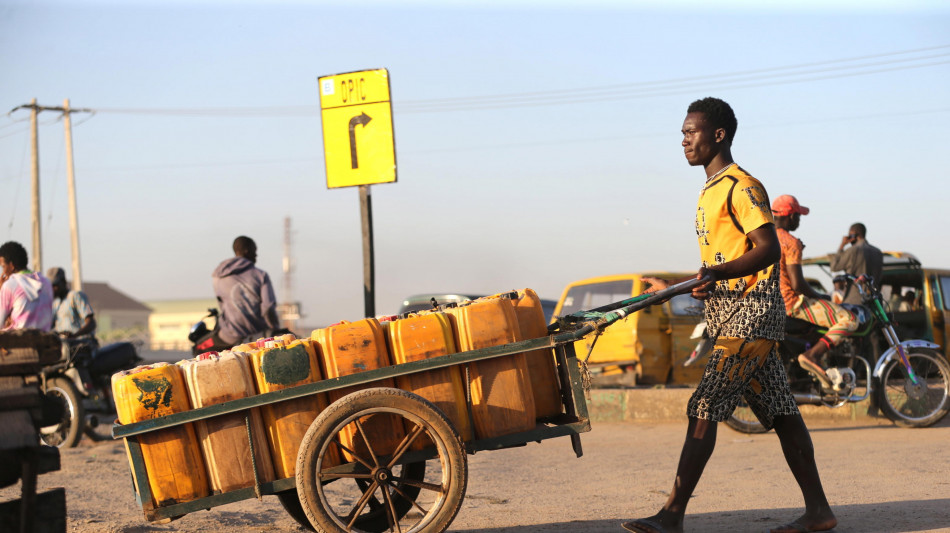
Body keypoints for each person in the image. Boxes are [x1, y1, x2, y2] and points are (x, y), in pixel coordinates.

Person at [624, 98, 836, 533]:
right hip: (731, 313)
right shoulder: (709, 189)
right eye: (682, 133)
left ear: (718, 135)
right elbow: (722, 262)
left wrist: (716, 273)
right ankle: (819, 512)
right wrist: (677, 288)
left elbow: (768, 248)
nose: (683, 140)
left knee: (704, 404)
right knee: (781, 412)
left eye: (691, 132)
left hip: (751, 317)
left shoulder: (743, 186)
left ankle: (671, 515)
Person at [772, 195, 858, 390]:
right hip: (790, 304)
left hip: (770, 303)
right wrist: (822, 297)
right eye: (798, 216)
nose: (800, 220)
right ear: (791, 216)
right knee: (850, 319)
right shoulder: (790, 242)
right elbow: (797, 284)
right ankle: (813, 355)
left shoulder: (763, 239)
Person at [211, 236, 279, 350]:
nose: (256, 255)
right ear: (247, 251)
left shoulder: (218, 276)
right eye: (255, 251)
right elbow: (268, 308)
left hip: (228, 337)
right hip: (255, 336)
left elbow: (222, 305)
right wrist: (275, 330)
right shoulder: (260, 275)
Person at [0, 241, 54, 331]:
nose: (3, 272)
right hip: (44, 338)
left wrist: (1, 289)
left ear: (11, 265)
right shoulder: (46, 282)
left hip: (19, 340)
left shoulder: (10, 285)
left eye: (3, 266)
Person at [829, 222, 883, 305]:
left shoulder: (852, 250)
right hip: (874, 302)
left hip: (854, 302)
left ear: (853, 234)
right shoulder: (878, 252)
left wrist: (842, 245)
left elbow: (834, 267)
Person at [48, 267, 98, 349]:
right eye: (50, 287)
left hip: (82, 345)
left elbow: (91, 323)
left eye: (55, 286)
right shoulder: (55, 304)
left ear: (63, 282)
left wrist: (74, 336)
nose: (52, 290)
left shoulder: (76, 296)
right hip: (65, 347)